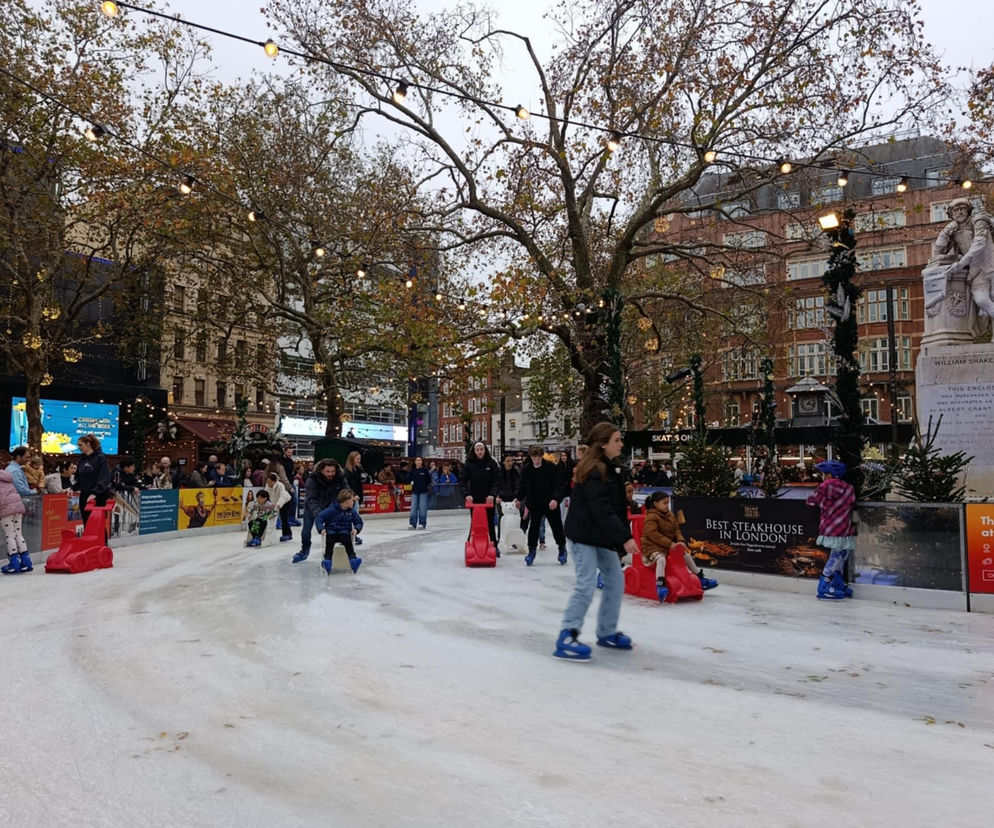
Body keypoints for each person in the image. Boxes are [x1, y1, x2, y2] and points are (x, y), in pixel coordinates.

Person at [555, 422, 639, 661]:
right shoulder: (594, 471)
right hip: (583, 536)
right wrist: (624, 537)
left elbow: (617, 509)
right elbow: (602, 510)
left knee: (615, 580)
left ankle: (607, 631)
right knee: (586, 583)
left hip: (601, 536)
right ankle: (567, 634)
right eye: (616, 440)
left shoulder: (613, 468)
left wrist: (621, 535)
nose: (621, 444)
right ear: (603, 444)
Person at [640, 491, 717, 601]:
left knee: (686, 555)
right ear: (656, 504)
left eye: (668, 503)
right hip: (652, 547)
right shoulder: (651, 517)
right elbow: (653, 535)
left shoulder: (670, 515)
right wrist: (670, 543)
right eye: (664, 503)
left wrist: (680, 541)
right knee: (661, 560)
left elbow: (676, 530)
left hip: (668, 546)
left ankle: (700, 578)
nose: (667, 505)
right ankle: (660, 585)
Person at [806, 460, 857, 600]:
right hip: (844, 527)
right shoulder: (849, 488)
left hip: (830, 527)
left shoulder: (825, 486)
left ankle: (825, 585)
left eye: (823, 474)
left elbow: (811, 501)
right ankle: (837, 582)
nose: (822, 476)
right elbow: (852, 503)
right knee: (842, 555)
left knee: (835, 556)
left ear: (829, 475)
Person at [515, 444, 569, 566]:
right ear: (531, 456)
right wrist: (519, 498)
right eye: (535, 457)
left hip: (550, 502)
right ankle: (532, 551)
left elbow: (559, 485)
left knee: (556, 526)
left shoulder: (550, 468)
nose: (537, 459)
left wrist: (555, 499)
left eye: (539, 457)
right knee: (534, 527)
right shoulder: (527, 470)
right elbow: (523, 486)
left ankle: (562, 548)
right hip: (535, 502)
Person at [292, 458, 345, 563]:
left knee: (334, 530)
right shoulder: (312, 479)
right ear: (321, 470)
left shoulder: (340, 478)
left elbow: (345, 492)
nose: (331, 474)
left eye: (333, 471)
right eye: (328, 471)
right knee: (306, 530)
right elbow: (311, 499)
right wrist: (320, 515)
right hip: (311, 509)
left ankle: (331, 554)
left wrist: (334, 509)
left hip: (330, 508)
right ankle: (304, 550)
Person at [459, 442, 500, 553]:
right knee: (475, 523)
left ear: (485, 450)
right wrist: (467, 494)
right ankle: (472, 544)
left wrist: (493, 494)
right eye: (477, 450)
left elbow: (497, 480)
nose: (480, 451)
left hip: (488, 499)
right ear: (474, 451)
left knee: (490, 523)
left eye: (481, 449)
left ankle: (493, 546)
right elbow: (462, 480)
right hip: (475, 499)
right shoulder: (469, 463)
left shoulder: (491, 463)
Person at [315, 488, 364, 575]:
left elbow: (359, 521)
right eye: (352, 500)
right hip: (331, 532)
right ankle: (327, 561)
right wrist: (321, 529)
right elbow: (319, 518)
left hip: (344, 532)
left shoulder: (351, 512)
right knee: (329, 543)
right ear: (346, 501)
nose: (354, 502)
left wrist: (356, 529)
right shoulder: (331, 510)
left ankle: (353, 560)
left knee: (347, 541)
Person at [1, 462, 32, 574]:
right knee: (18, 534)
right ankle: (26, 561)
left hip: (6, 509)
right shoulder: (5, 476)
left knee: (10, 536)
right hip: (18, 506)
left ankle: (14, 564)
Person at [75, 434, 111, 528]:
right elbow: (79, 479)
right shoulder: (82, 460)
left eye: (80, 445)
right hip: (84, 496)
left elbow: (104, 477)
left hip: (97, 496)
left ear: (88, 444)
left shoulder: (100, 458)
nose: (79, 448)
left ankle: (102, 542)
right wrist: (72, 488)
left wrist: (95, 492)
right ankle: (89, 542)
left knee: (97, 524)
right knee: (86, 523)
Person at [343, 450, 365, 544]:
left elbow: (359, 483)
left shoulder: (358, 469)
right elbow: (347, 485)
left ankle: (353, 535)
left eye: (360, 459)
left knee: (355, 516)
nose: (359, 461)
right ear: (352, 459)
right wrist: (353, 495)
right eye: (357, 459)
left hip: (357, 496)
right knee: (352, 517)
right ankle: (350, 535)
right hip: (351, 497)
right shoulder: (347, 471)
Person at [265, 471, 293, 542]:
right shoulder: (267, 486)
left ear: (274, 481)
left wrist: (279, 504)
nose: (268, 483)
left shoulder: (280, 485)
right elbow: (265, 495)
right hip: (275, 503)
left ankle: (287, 534)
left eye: (270, 482)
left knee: (284, 517)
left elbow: (282, 496)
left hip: (286, 501)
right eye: (267, 482)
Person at [408, 455, 432, 529]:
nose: (418, 462)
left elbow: (429, 480)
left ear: (422, 462)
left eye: (420, 460)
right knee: (413, 508)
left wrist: (424, 486)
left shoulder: (425, 470)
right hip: (414, 491)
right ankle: (412, 523)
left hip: (423, 492)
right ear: (415, 462)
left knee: (422, 508)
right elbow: (409, 479)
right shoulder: (413, 471)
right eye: (417, 460)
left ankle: (422, 523)